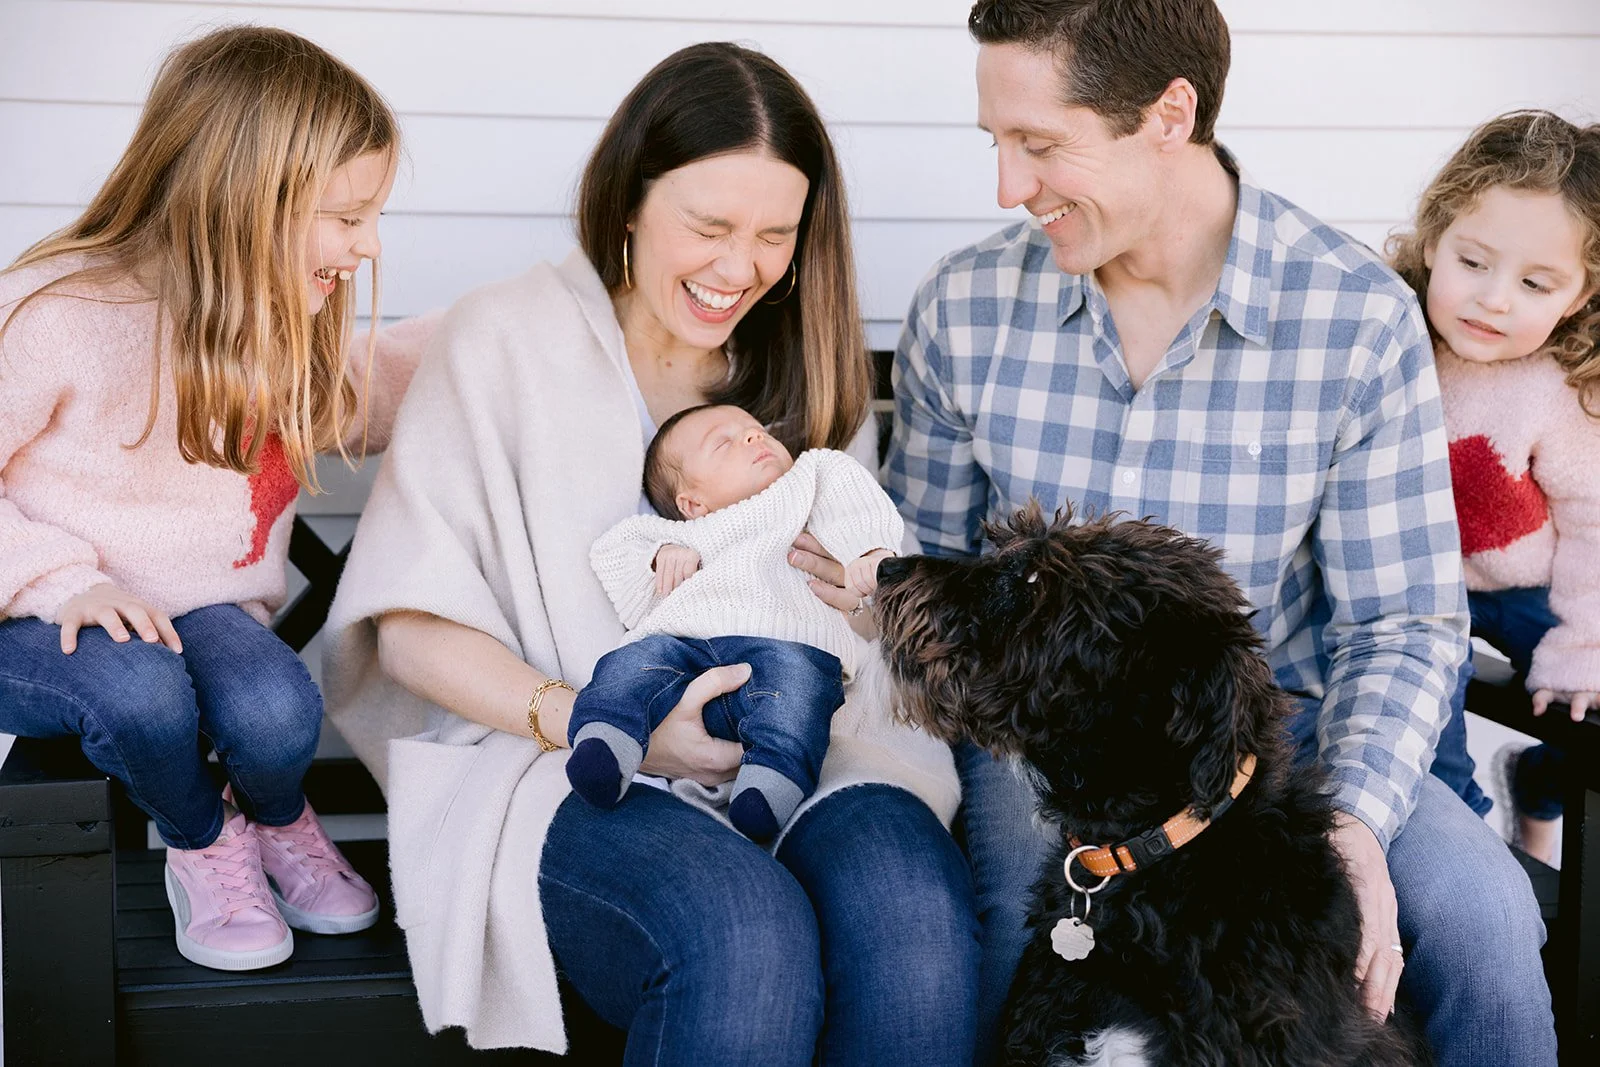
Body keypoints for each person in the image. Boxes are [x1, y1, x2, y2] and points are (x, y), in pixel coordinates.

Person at [855, 1, 1556, 1062]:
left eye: (1040, 145)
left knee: (1485, 920)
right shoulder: (964, 306)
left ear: (1169, 114)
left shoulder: (1352, 317)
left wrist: (1357, 821)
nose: (1008, 187)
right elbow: (933, 581)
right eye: (996, 144)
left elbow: (1403, 623)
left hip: (1286, 741)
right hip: (1046, 745)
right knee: (1013, 942)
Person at [322, 42, 975, 1064]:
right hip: (559, 754)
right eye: (707, 225)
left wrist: (864, 594)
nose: (735, 268)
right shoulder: (504, 339)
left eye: (772, 235)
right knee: (740, 929)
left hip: (808, 734)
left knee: (916, 927)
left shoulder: (801, 362)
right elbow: (410, 626)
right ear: (629, 200)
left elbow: (858, 595)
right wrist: (589, 712)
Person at [0, 27, 414, 971]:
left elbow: (382, 383)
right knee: (140, 690)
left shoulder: (265, 328)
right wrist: (60, 580)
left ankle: (277, 819)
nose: (369, 244)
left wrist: (539, 328)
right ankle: (203, 842)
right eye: (346, 215)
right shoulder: (52, 312)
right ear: (243, 194)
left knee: (275, 710)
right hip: (42, 621)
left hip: (199, 613)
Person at [1389, 110, 1600, 861]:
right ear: (1434, 240)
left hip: (1525, 584)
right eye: (1472, 263)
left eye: (1536, 282)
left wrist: (1583, 643)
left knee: (1592, 696)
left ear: (1577, 295)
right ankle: (1465, 862)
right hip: (1418, 589)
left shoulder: (1559, 388)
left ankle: (1540, 786)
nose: (1494, 299)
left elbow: (1592, 523)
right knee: (1422, 729)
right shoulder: (1390, 338)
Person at [571, 402, 902, 841]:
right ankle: (607, 741)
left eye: (757, 429)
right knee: (633, 664)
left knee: (801, 693)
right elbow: (612, 552)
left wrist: (869, 552)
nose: (753, 437)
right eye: (723, 442)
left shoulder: (806, 482)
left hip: (788, 644)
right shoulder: (680, 535)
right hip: (687, 646)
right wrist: (659, 556)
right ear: (692, 503)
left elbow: (854, 499)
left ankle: (770, 784)